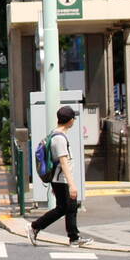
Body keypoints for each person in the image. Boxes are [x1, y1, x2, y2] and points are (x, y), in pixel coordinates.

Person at [27, 106, 93, 247]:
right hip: (62, 179)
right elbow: (63, 162)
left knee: (64, 207)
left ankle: (37, 227)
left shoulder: (54, 134)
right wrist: (72, 185)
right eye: (73, 118)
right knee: (69, 206)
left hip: (59, 179)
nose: (74, 120)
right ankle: (73, 237)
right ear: (69, 121)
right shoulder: (59, 139)